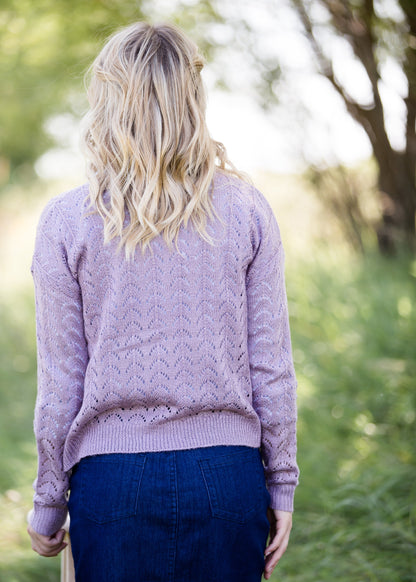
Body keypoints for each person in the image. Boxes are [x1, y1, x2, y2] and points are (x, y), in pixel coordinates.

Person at [27, 21, 299, 582]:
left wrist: (49, 501)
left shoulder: (65, 221)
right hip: (228, 479)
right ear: (191, 98)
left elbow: (61, 382)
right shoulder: (248, 210)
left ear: (106, 99)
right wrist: (281, 484)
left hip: (110, 486)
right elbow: (271, 367)